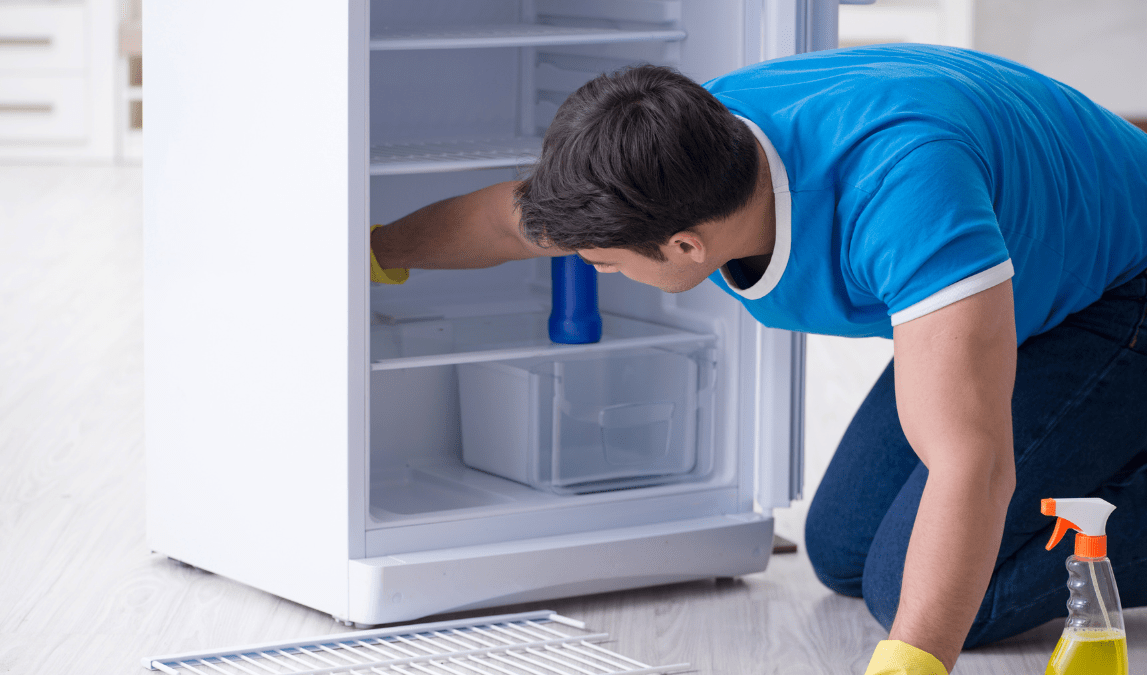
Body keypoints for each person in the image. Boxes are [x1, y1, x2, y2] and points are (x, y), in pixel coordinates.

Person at [370, 44, 1147, 674]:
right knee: (842, 551)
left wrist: (910, 665)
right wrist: (367, 255)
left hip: (1123, 287)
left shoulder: (904, 192)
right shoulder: (673, 150)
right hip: (1034, 269)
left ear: (684, 246)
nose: (594, 268)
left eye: (601, 260)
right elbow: (513, 223)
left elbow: (970, 462)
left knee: (937, 599)